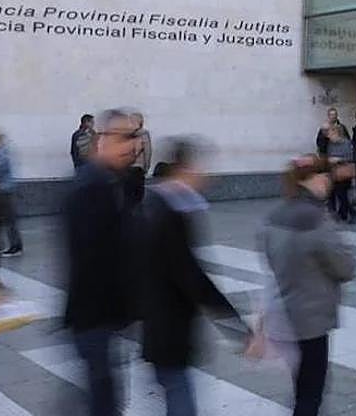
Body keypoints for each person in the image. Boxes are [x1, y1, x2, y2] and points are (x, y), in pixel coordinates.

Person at [143, 141, 250, 416]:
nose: (205, 175)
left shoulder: (156, 205)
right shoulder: (169, 214)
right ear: (185, 169)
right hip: (168, 332)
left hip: (160, 330)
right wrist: (239, 330)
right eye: (200, 167)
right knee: (180, 400)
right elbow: (193, 279)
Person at [261, 155, 356, 416]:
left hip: (286, 312)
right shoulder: (317, 218)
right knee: (311, 392)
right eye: (324, 176)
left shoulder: (275, 214)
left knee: (301, 385)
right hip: (313, 316)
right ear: (313, 179)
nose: (327, 182)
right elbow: (345, 266)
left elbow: (268, 256)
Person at [64, 107, 144, 416]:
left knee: (104, 396)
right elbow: (94, 260)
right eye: (126, 137)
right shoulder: (90, 187)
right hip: (94, 317)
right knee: (104, 401)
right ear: (103, 140)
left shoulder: (114, 182)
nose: (134, 146)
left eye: (137, 137)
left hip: (105, 317)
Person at [316, 109, 355, 222]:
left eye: (334, 115)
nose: (330, 135)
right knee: (334, 193)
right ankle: (337, 213)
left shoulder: (344, 136)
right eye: (331, 115)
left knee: (341, 194)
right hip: (332, 170)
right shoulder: (326, 136)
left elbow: (350, 154)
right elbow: (321, 146)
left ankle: (347, 213)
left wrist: (339, 159)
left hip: (343, 171)